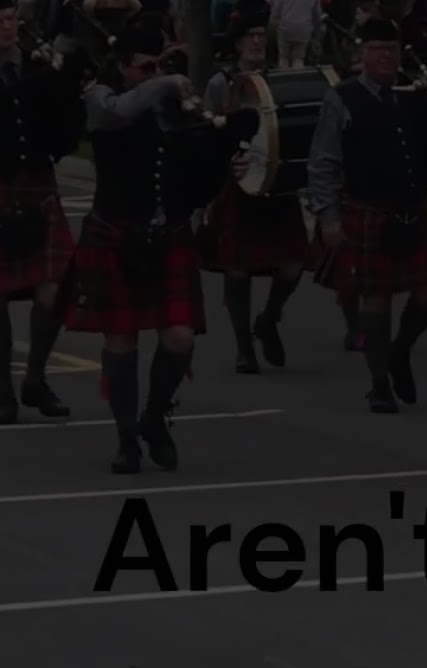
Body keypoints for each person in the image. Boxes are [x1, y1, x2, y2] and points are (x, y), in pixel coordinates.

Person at [63, 26, 255, 472]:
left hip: (166, 232)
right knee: (121, 339)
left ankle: (153, 418)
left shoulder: (172, 107)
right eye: (145, 67)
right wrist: (165, 83)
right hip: (114, 232)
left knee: (180, 336)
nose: (154, 75)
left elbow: (192, 164)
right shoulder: (101, 98)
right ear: (122, 66)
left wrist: (226, 160)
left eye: (159, 66)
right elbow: (119, 114)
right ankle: (126, 437)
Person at [307, 18, 427, 413]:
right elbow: (323, 161)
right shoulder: (342, 98)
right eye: (377, 49)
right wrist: (328, 216)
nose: (385, 56)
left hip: (414, 207)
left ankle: (400, 352)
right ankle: (379, 385)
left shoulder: (414, 94)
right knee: (376, 302)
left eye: (391, 49)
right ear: (362, 53)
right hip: (368, 210)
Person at [200, 8, 310, 375]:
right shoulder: (221, 84)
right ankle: (244, 348)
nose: (258, 41)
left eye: (262, 35)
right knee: (237, 270)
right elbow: (207, 134)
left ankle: (268, 319)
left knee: (294, 265)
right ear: (237, 43)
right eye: (251, 35)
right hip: (238, 185)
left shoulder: (279, 78)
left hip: (277, 184)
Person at [0, 0, 86, 424]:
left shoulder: (38, 64)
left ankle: (35, 379)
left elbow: (70, 115)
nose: (6, 26)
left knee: (52, 287)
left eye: (10, 17)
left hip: (37, 183)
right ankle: (2, 391)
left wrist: (56, 147)